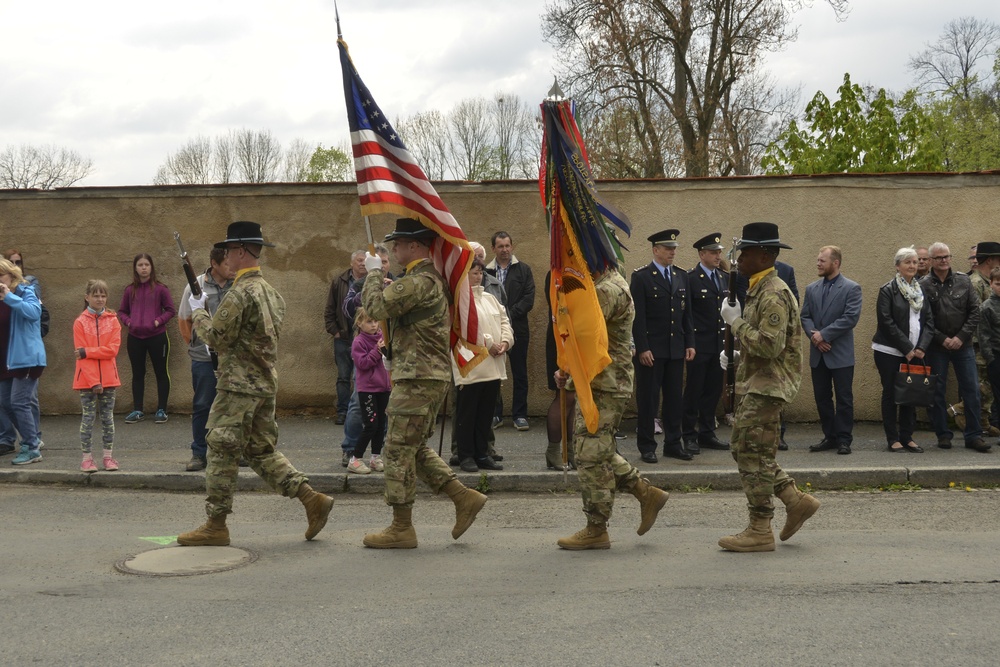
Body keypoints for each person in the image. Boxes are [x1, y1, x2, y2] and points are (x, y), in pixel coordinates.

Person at [177, 221, 334, 546]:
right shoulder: (271, 293)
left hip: (237, 385)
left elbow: (216, 337)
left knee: (219, 447)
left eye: (231, 251)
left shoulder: (240, 293)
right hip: (264, 382)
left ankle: (215, 525)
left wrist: (199, 313)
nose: (227, 257)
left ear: (242, 252)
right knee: (260, 451)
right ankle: (311, 498)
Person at [360, 217, 487, 549]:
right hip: (422, 375)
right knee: (412, 447)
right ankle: (462, 497)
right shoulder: (423, 281)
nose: (394, 249)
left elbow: (375, 307)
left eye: (398, 243)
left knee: (397, 448)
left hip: (418, 377)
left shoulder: (420, 281)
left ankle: (401, 527)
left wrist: (372, 273)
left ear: (414, 246)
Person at [717, 222, 819, 552]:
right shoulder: (759, 288)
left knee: (748, 451)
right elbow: (763, 344)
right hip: (759, 382)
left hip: (769, 386)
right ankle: (794, 500)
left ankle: (760, 528)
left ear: (763, 255)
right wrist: (737, 354)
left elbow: (769, 346)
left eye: (744, 253)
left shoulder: (773, 292)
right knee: (750, 450)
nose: (738, 260)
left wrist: (736, 324)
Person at [554, 266, 670, 550]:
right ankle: (646, 493)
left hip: (606, 384)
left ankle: (597, 527)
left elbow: (586, 336)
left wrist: (568, 371)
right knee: (598, 447)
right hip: (602, 382)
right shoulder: (607, 283)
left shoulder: (607, 290)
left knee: (591, 454)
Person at [630, 229, 695, 463]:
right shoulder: (642, 277)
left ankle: (673, 443)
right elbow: (638, 318)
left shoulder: (680, 276)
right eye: (668, 248)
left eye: (674, 248)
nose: (672, 252)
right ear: (655, 250)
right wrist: (643, 347)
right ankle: (647, 445)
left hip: (675, 348)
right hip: (652, 350)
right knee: (648, 400)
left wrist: (689, 342)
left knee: (674, 399)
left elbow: (686, 313)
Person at [920, 242, 989, 452]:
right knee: (937, 392)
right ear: (931, 261)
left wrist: (960, 337)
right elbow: (924, 319)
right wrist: (942, 339)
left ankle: (974, 435)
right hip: (937, 347)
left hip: (964, 345)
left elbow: (975, 312)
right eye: (939, 257)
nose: (944, 260)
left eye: (947, 256)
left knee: (971, 390)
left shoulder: (963, 281)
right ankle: (943, 434)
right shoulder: (924, 285)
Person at [800, 246, 863, 455]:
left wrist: (824, 335)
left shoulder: (851, 288)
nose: (818, 263)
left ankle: (844, 439)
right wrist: (815, 338)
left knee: (844, 398)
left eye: (822, 260)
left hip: (840, 354)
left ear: (835, 263)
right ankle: (830, 436)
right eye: (818, 260)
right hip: (819, 354)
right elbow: (805, 316)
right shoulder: (812, 288)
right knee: (822, 397)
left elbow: (850, 318)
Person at [872, 248, 935, 453]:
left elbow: (929, 323)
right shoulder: (888, 290)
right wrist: (907, 348)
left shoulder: (920, 290)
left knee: (911, 393)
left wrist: (921, 348)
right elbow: (886, 322)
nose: (912, 266)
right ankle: (893, 438)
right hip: (889, 351)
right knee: (891, 393)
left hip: (916, 353)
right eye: (907, 262)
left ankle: (907, 437)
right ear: (898, 266)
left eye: (915, 262)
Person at [453, 258, 512, 473]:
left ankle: (481, 453)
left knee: (486, 412)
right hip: (472, 364)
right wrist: (489, 344)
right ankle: (465, 454)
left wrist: (505, 341)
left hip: (494, 364)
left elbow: (504, 321)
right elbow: (467, 328)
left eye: (479, 272)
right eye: (473, 273)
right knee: (468, 412)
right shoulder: (460, 300)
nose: (478, 276)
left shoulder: (490, 298)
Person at [177, 248, 234, 471]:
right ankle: (199, 453)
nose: (232, 268)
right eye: (227, 264)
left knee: (233, 406)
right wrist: (197, 344)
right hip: (203, 357)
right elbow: (184, 320)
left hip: (231, 357)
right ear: (214, 264)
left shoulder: (237, 284)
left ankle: (233, 451)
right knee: (202, 405)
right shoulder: (196, 286)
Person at [340, 244, 393, 467]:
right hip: (368, 352)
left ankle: (377, 453)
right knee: (356, 405)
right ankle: (351, 449)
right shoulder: (359, 285)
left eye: (385, 263)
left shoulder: (397, 284)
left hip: (390, 351)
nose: (382, 268)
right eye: (377, 264)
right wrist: (370, 292)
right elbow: (348, 308)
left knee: (385, 412)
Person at [682, 232, 731, 454]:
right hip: (699, 344)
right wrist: (689, 343)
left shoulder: (723, 278)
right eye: (713, 252)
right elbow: (688, 315)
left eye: (719, 252)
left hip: (718, 344)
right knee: (694, 391)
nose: (717, 256)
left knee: (712, 390)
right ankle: (689, 434)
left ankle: (707, 432)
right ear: (702, 254)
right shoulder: (690, 279)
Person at [118, 253, 175, 424]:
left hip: (157, 337)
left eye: (147, 265)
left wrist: (158, 321)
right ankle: (137, 410)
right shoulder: (130, 290)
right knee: (138, 373)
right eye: (140, 265)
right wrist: (129, 322)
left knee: (161, 372)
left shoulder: (160, 289)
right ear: (135, 268)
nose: (144, 268)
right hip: (135, 338)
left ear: (151, 267)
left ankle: (162, 410)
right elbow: (122, 311)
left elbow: (171, 310)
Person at [487, 231, 535, 431]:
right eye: (500, 246)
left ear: (512, 246)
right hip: (492, 329)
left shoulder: (523, 270)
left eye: (507, 246)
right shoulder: (486, 272)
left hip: (518, 329)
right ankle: (495, 413)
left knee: (519, 372)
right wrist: (496, 318)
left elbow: (528, 298)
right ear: (493, 249)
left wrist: (507, 314)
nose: (505, 250)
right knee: (494, 373)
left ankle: (520, 415)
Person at [0, 259, 46, 465]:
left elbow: (34, 313)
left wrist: (9, 297)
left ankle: (32, 448)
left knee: (20, 402)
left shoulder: (25, 291)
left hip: (27, 357)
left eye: (1, 276)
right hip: (7, 360)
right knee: (6, 402)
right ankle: (30, 440)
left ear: (11, 276)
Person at [73, 279, 122, 472]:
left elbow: (113, 350)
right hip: (86, 380)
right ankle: (87, 459)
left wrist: (88, 351)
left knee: (108, 419)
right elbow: (81, 357)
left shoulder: (113, 320)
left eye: (103, 295)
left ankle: (108, 458)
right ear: (87, 297)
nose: (100, 299)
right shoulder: (80, 322)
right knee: (88, 418)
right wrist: (94, 382)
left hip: (109, 379)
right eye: (96, 295)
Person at [347, 307, 391, 474]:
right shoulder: (359, 342)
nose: (374, 325)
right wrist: (377, 351)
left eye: (375, 321)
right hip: (368, 390)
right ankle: (355, 458)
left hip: (383, 387)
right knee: (371, 425)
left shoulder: (382, 337)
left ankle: (375, 457)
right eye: (369, 322)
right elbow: (363, 364)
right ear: (360, 323)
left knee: (381, 425)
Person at [325, 249, 366, 425]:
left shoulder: (371, 282)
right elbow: (329, 309)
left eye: (365, 260)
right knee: (343, 377)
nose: (362, 263)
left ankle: (360, 413)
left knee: (362, 377)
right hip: (343, 337)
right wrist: (335, 331)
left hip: (364, 338)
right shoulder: (339, 281)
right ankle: (342, 412)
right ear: (352, 263)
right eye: (359, 260)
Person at [966, 242, 1000, 436]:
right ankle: (962, 415)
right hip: (980, 345)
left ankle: (984, 424)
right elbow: (977, 318)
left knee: (987, 388)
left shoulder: (987, 281)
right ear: (989, 260)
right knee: (982, 387)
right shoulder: (976, 283)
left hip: (989, 345)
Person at [543, 269, 576, 470]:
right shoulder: (556, 273)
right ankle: (554, 451)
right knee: (564, 396)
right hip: (561, 338)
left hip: (577, 339)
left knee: (575, 398)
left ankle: (570, 450)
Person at [978, 267, 1000, 424]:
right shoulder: (986, 307)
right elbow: (983, 336)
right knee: (997, 394)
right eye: (998, 283)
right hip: (996, 356)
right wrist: (991, 359)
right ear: (991, 284)